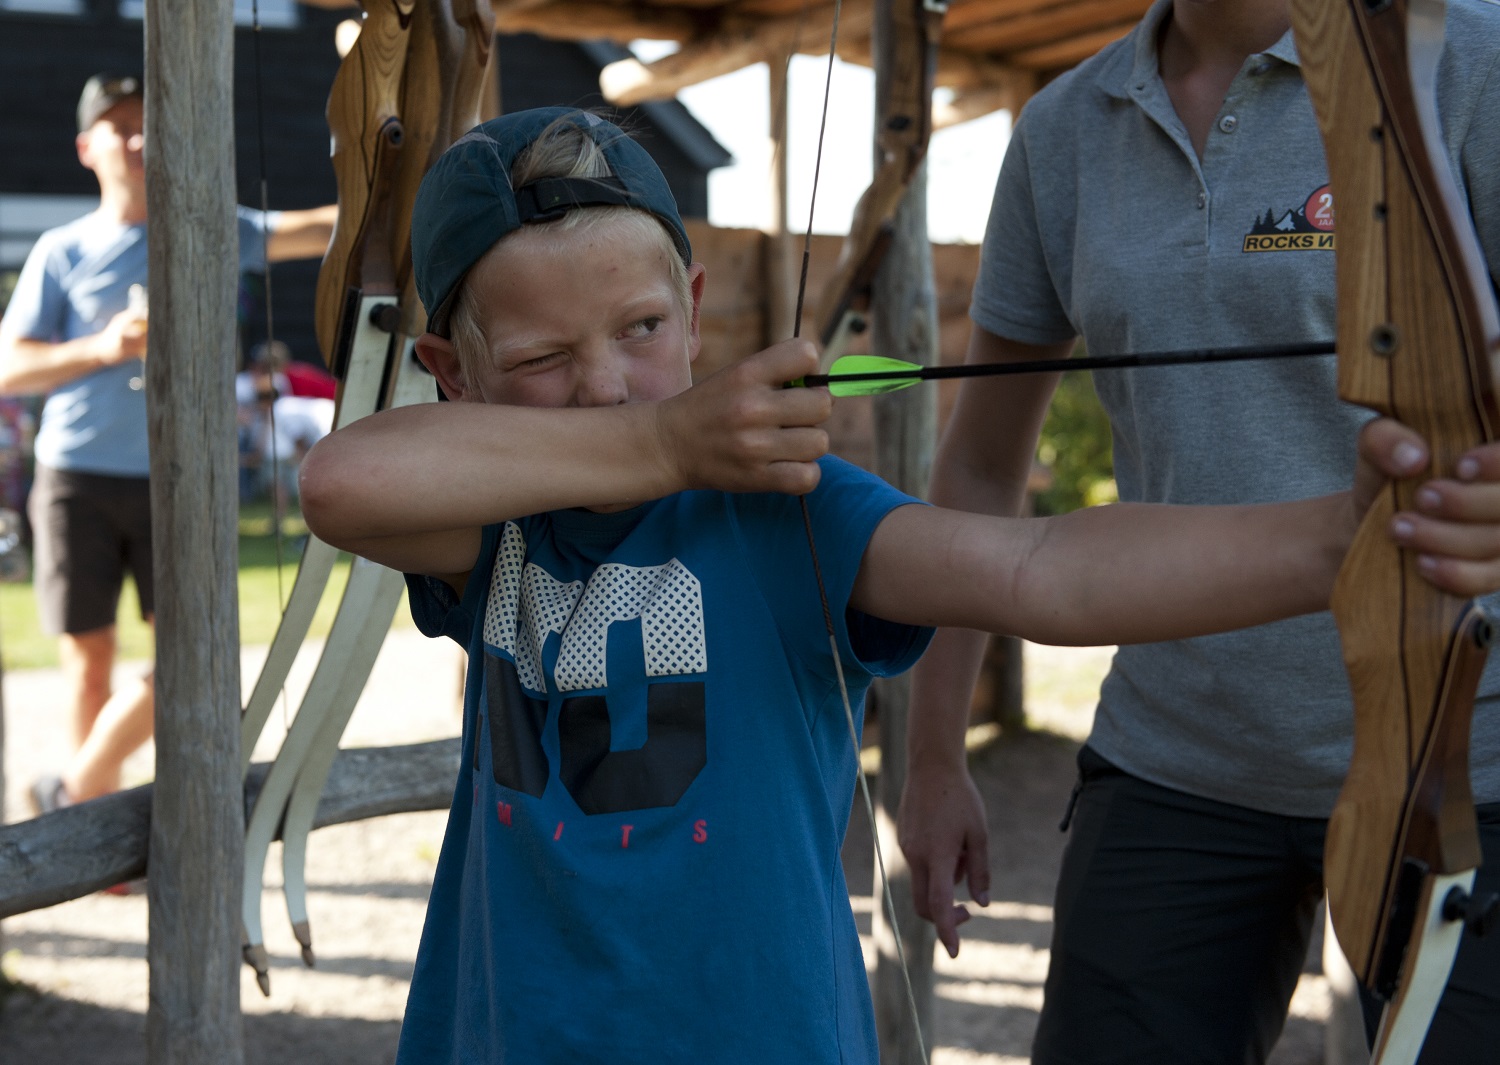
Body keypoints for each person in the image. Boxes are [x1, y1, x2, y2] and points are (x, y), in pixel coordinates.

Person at [296, 107, 1500, 1064]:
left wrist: (1343, 539)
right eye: (546, 359)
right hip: (506, 1036)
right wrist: (665, 445)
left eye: (643, 328)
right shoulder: (490, 526)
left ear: (699, 310)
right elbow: (340, 482)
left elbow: (1041, 573)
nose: (608, 385)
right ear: (452, 373)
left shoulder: (787, 512)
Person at [895, 2, 1500, 1063]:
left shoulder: (1469, 57)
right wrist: (936, 750)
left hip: (1465, 756)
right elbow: (985, 465)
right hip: (1178, 759)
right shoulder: (1065, 127)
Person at [0, 73, 336, 810]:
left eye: (150, 123)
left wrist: (397, 180)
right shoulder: (61, 250)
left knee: (185, 659)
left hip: (182, 477)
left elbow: (317, 228)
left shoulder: (213, 224)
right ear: (88, 148)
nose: (140, 137)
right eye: (119, 126)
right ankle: (97, 835)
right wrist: (104, 347)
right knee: (88, 667)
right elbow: (11, 365)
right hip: (76, 476)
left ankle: (75, 795)